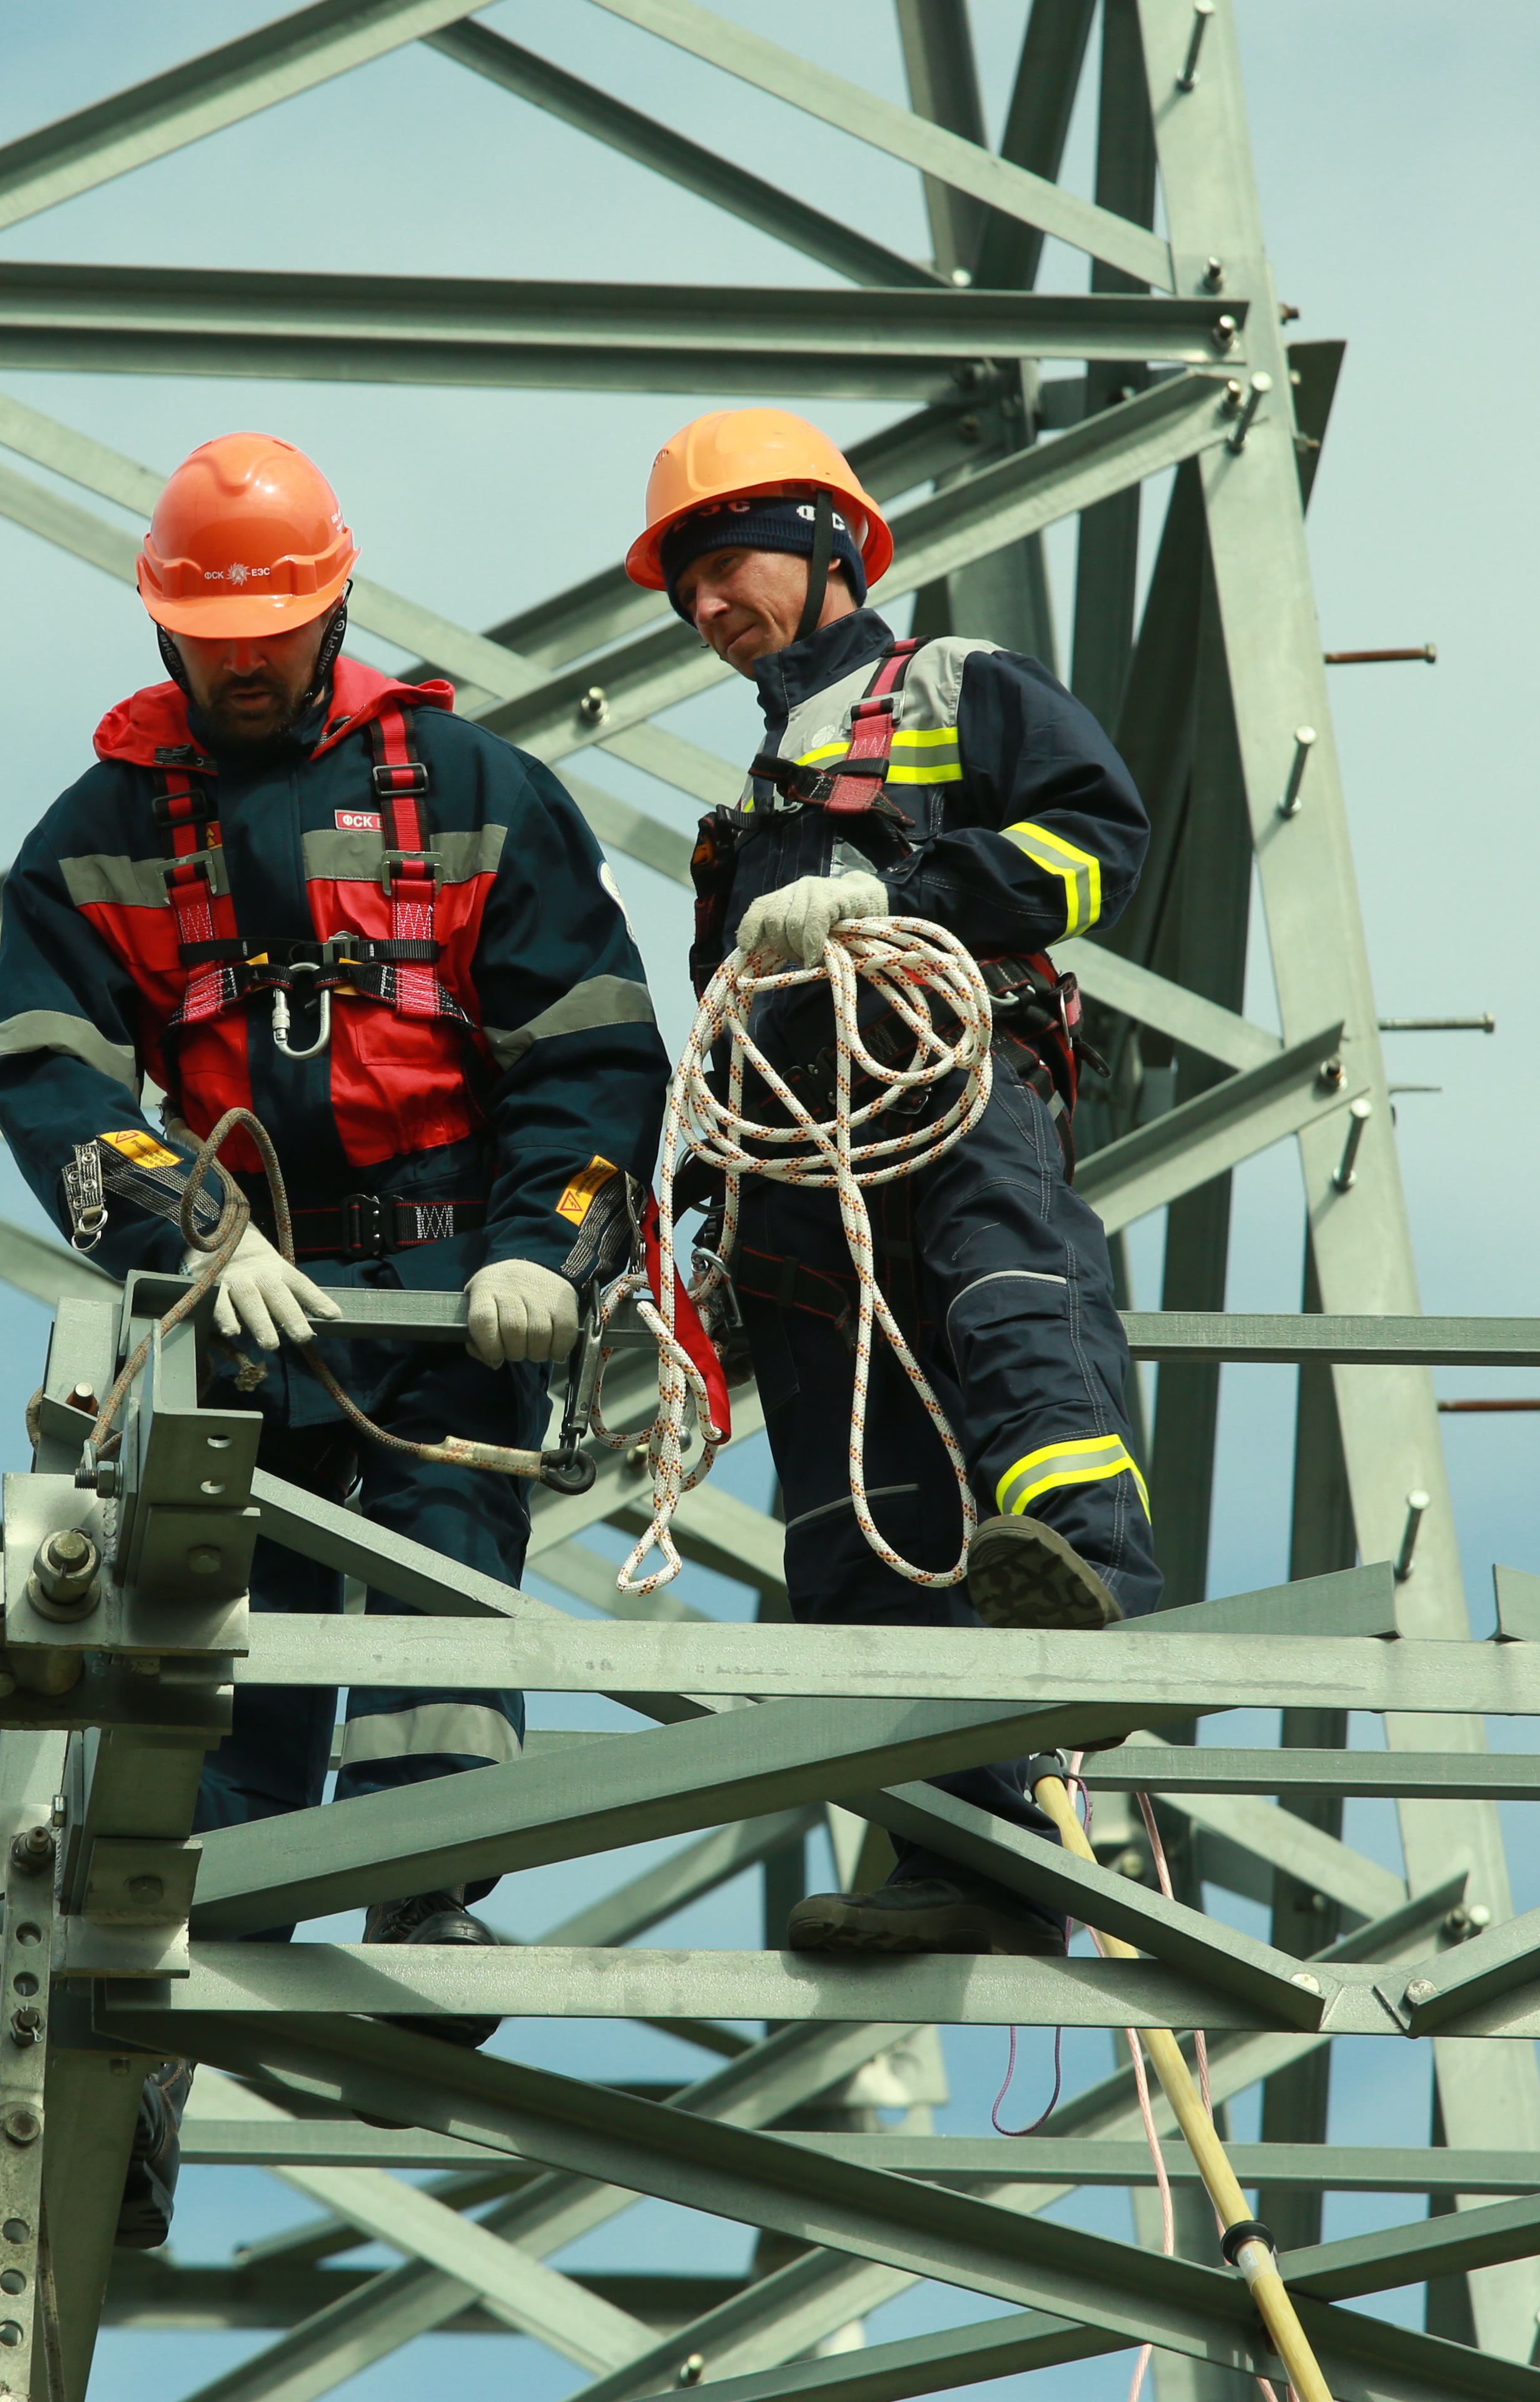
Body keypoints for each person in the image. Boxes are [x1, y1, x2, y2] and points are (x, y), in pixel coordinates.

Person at [0, 430, 669, 1997]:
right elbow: (47, 1070)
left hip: (449, 1275)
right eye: (218, 643)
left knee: (442, 1554)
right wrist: (193, 1241)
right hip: (253, 1289)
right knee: (227, 1604)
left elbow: (591, 1045)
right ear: (165, 630)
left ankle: (423, 1894)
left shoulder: (476, 790)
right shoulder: (101, 835)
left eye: (274, 636)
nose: (247, 667)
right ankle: (205, 1936)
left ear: (334, 614)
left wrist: (540, 1249)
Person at [627, 405, 1162, 1960]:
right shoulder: (756, 799)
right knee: (852, 1497)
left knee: (1011, 1320)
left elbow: (1097, 845)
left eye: (726, 568)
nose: (709, 612)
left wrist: (904, 889)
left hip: (951, 1079)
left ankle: (1100, 1605)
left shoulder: (952, 688)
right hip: (799, 1161)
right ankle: (965, 1855)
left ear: (816, 539)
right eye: (689, 592)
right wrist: (717, 1202)